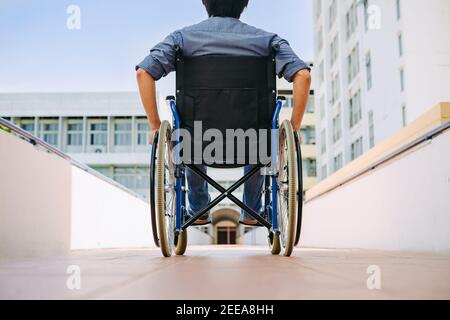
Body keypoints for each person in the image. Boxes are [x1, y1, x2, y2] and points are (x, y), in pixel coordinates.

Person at [136, 0, 311, 225]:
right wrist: (294, 127)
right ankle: (252, 210)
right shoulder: (269, 41)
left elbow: (144, 73)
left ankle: (198, 209)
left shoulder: (181, 39)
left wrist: (154, 125)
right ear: (243, 6)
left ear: (206, 4)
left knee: (191, 129)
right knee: (259, 132)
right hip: (252, 141)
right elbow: (303, 76)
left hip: (197, 141)